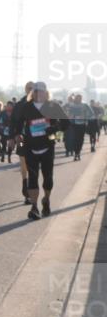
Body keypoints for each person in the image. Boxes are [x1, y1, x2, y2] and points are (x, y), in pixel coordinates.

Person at [14, 82, 64, 220]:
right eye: (35, 91)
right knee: (33, 178)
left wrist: (54, 128)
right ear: (32, 93)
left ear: (46, 92)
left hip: (48, 146)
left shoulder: (52, 106)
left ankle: (46, 200)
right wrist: (17, 134)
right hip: (30, 146)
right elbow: (17, 123)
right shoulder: (26, 107)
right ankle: (34, 207)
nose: (38, 94)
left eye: (41, 91)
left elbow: (66, 123)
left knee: (48, 178)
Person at [11, 82, 34, 203]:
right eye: (29, 88)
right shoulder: (19, 105)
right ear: (25, 90)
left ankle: (30, 189)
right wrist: (12, 137)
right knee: (23, 162)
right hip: (22, 140)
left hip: (35, 140)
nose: (31, 90)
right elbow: (13, 122)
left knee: (32, 165)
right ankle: (25, 188)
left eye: (33, 88)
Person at [65, 93, 94, 161]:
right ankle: (76, 153)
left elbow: (91, 113)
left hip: (82, 125)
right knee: (74, 139)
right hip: (73, 124)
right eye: (77, 98)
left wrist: (85, 117)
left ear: (81, 98)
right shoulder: (72, 105)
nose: (79, 99)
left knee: (80, 139)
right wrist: (69, 115)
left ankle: (78, 153)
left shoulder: (84, 105)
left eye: (80, 98)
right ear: (75, 98)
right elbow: (66, 112)